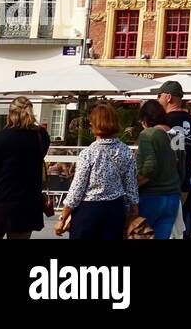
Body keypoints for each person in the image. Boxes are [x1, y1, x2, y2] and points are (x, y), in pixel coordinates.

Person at [57, 103, 139, 240]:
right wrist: (134, 210)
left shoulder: (88, 153)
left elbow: (77, 189)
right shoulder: (126, 151)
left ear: (94, 124)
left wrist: (63, 215)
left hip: (89, 210)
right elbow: (131, 186)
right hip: (115, 209)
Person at [0, 97, 51, 239]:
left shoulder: (1, 138)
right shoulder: (41, 136)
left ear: (10, 114)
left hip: (1, 200)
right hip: (28, 202)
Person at [158, 79, 191, 241]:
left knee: (167, 227)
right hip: (187, 182)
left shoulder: (163, 123)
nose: (158, 100)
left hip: (166, 185)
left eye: (159, 96)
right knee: (183, 224)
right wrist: (186, 170)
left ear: (168, 97)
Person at [136, 99, 181, 239]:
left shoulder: (148, 134)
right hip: (172, 197)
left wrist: (132, 186)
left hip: (150, 197)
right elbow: (183, 167)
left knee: (141, 235)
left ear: (145, 119)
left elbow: (149, 167)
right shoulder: (177, 135)